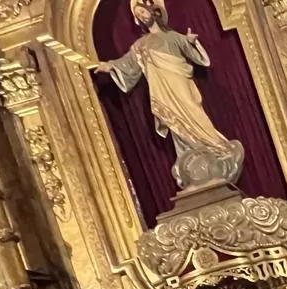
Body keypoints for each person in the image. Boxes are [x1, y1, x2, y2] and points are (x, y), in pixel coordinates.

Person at [96, 0, 244, 190]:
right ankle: (191, 167)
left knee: (194, 114)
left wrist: (191, 42)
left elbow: (197, 57)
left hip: (181, 86)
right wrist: (108, 65)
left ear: (153, 11)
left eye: (143, 11)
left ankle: (218, 148)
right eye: (138, 14)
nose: (142, 16)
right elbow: (126, 64)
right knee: (176, 124)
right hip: (163, 93)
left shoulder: (173, 37)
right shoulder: (141, 45)